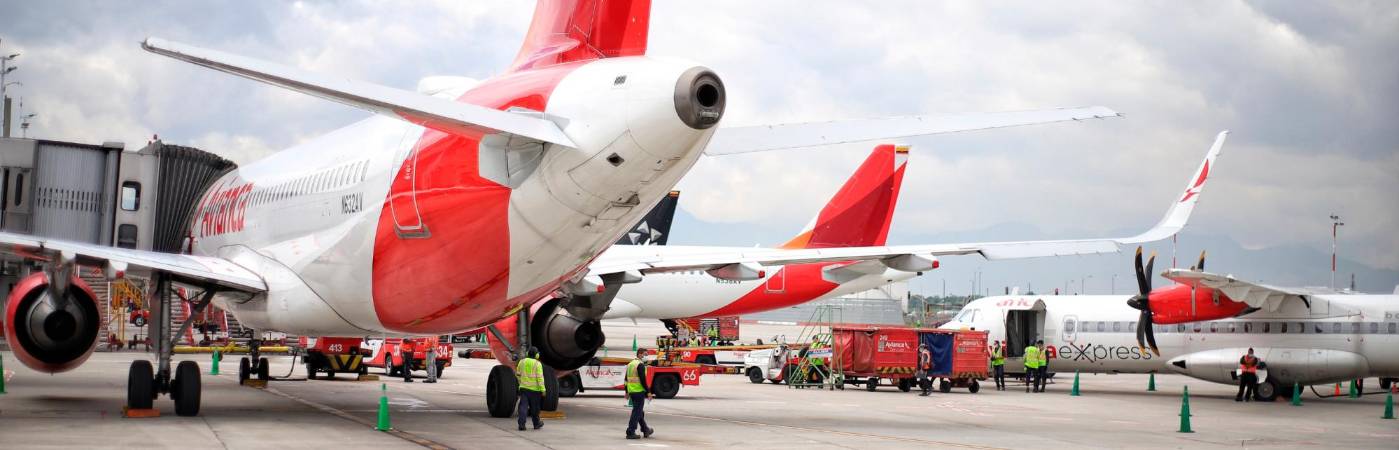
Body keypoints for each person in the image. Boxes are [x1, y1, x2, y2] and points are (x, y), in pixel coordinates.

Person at [625, 348, 655, 439]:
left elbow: (626, 379)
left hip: (632, 391)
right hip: (638, 391)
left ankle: (645, 429)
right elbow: (643, 380)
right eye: (645, 355)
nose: (646, 357)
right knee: (636, 412)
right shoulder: (640, 365)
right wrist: (649, 392)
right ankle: (630, 431)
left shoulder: (630, 364)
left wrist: (626, 391)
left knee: (639, 412)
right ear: (640, 354)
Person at [516, 346, 546, 430]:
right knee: (535, 409)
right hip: (535, 390)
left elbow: (518, 374)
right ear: (537, 355)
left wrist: (521, 383)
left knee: (523, 407)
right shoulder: (537, 364)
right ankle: (536, 424)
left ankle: (521, 425)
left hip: (524, 389)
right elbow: (540, 377)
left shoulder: (522, 362)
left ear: (527, 353)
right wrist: (543, 389)